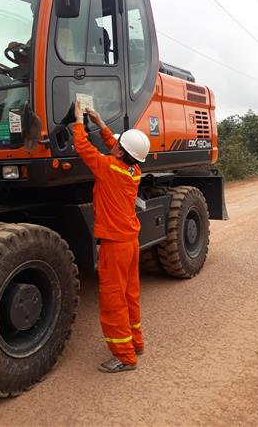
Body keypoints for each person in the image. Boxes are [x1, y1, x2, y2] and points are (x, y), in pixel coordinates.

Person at [72, 102, 150, 373]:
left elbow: (83, 148)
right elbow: (116, 146)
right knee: (130, 295)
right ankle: (136, 342)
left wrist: (79, 120)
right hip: (130, 242)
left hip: (115, 246)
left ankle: (125, 357)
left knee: (113, 300)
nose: (113, 145)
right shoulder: (132, 171)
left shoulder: (107, 167)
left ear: (120, 151)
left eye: (117, 145)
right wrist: (100, 120)